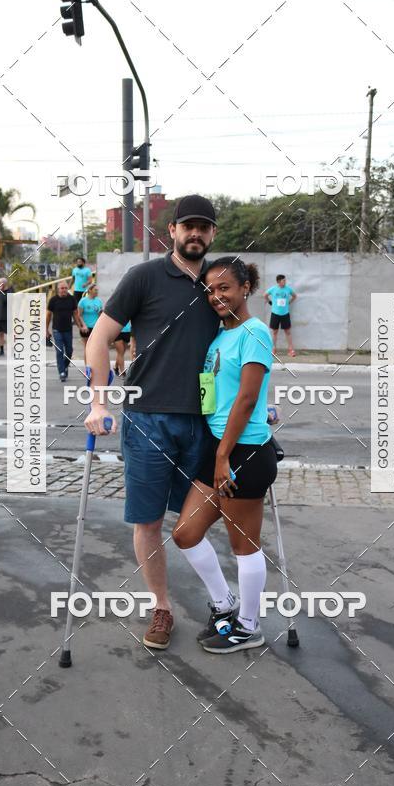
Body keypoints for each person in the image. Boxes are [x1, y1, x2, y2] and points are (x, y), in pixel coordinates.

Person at [84, 194, 220, 650]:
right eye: (188, 226)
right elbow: (99, 339)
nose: (195, 234)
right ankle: (161, 607)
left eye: (203, 227)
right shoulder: (144, 276)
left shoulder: (220, 283)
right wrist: (99, 403)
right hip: (147, 420)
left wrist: (262, 400)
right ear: (174, 232)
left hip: (205, 422)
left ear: (213, 234)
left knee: (197, 522)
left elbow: (247, 345)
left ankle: (223, 605)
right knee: (148, 522)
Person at [172, 257, 277, 653]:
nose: (216, 296)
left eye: (224, 288)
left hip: (243, 454)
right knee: (185, 534)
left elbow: (247, 398)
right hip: (217, 448)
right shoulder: (220, 336)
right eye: (210, 290)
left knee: (243, 545)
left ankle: (249, 626)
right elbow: (218, 394)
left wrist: (223, 457)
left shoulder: (255, 331)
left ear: (245, 287)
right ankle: (224, 603)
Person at [47, 280, 85, 381]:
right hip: (56, 330)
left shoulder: (72, 299)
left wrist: (80, 326)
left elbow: (75, 314)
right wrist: (45, 329)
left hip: (68, 330)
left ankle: (65, 366)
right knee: (59, 351)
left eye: (65, 288)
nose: (64, 290)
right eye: (62, 288)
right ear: (58, 289)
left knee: (69, 351)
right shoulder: (53, 300)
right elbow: (48, 315)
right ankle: (62, 372)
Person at [264, 274, 297, 356]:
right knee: (275, 332)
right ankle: (273, 348)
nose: (285, 282)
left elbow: (294, 296)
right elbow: (265, 295)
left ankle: (291, 350)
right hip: (275, 313)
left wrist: (289, 302)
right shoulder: (273, 289)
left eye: (285, 280)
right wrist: (269, 302)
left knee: (288, 332)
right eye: (283, 280)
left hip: (285, 313)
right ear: (279, 281)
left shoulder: (288, 289)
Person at [77, 282, 103, 363]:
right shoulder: (83, 301)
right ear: (90, 290)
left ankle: (94, 366)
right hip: (86, 328)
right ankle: (87, 368)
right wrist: (84, 326)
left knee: (95, 348)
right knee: (87, 347)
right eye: (95, 290)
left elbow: (100, 315)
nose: (97, 292)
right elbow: (79, 315)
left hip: (95, 328)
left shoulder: (99, 301)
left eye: (97, 290)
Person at [0, 277, 14, 357]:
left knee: (9, 335)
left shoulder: (9, 291)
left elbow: (7, 301)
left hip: (6, 318)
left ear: (4, 284)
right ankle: (1, 350)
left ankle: (12, 351)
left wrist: (1, 290)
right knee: (0, 334)